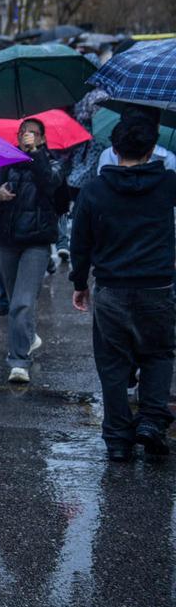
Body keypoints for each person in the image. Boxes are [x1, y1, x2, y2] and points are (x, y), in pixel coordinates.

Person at [70, 117, 176, 461]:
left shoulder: (95, 190)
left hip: (111, 288)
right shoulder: (168, 184)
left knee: (113, 364)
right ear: (152, 148)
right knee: (158, 354)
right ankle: (151, 421)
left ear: (114, 149)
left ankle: (117, 438)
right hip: (157, 285)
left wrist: (79, 282)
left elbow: (80, 241)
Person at [0, 118, 63, 383]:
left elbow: (51, 185)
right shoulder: (7, 162)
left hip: (36, 242)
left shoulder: (52, 162)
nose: (26, 136)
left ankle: (19, 361)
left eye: (33, 133)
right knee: (15, 302)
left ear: (42, 138)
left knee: (22, 303)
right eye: (23, 132)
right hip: (6, 241)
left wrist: (36, 155)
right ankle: (28, 337)